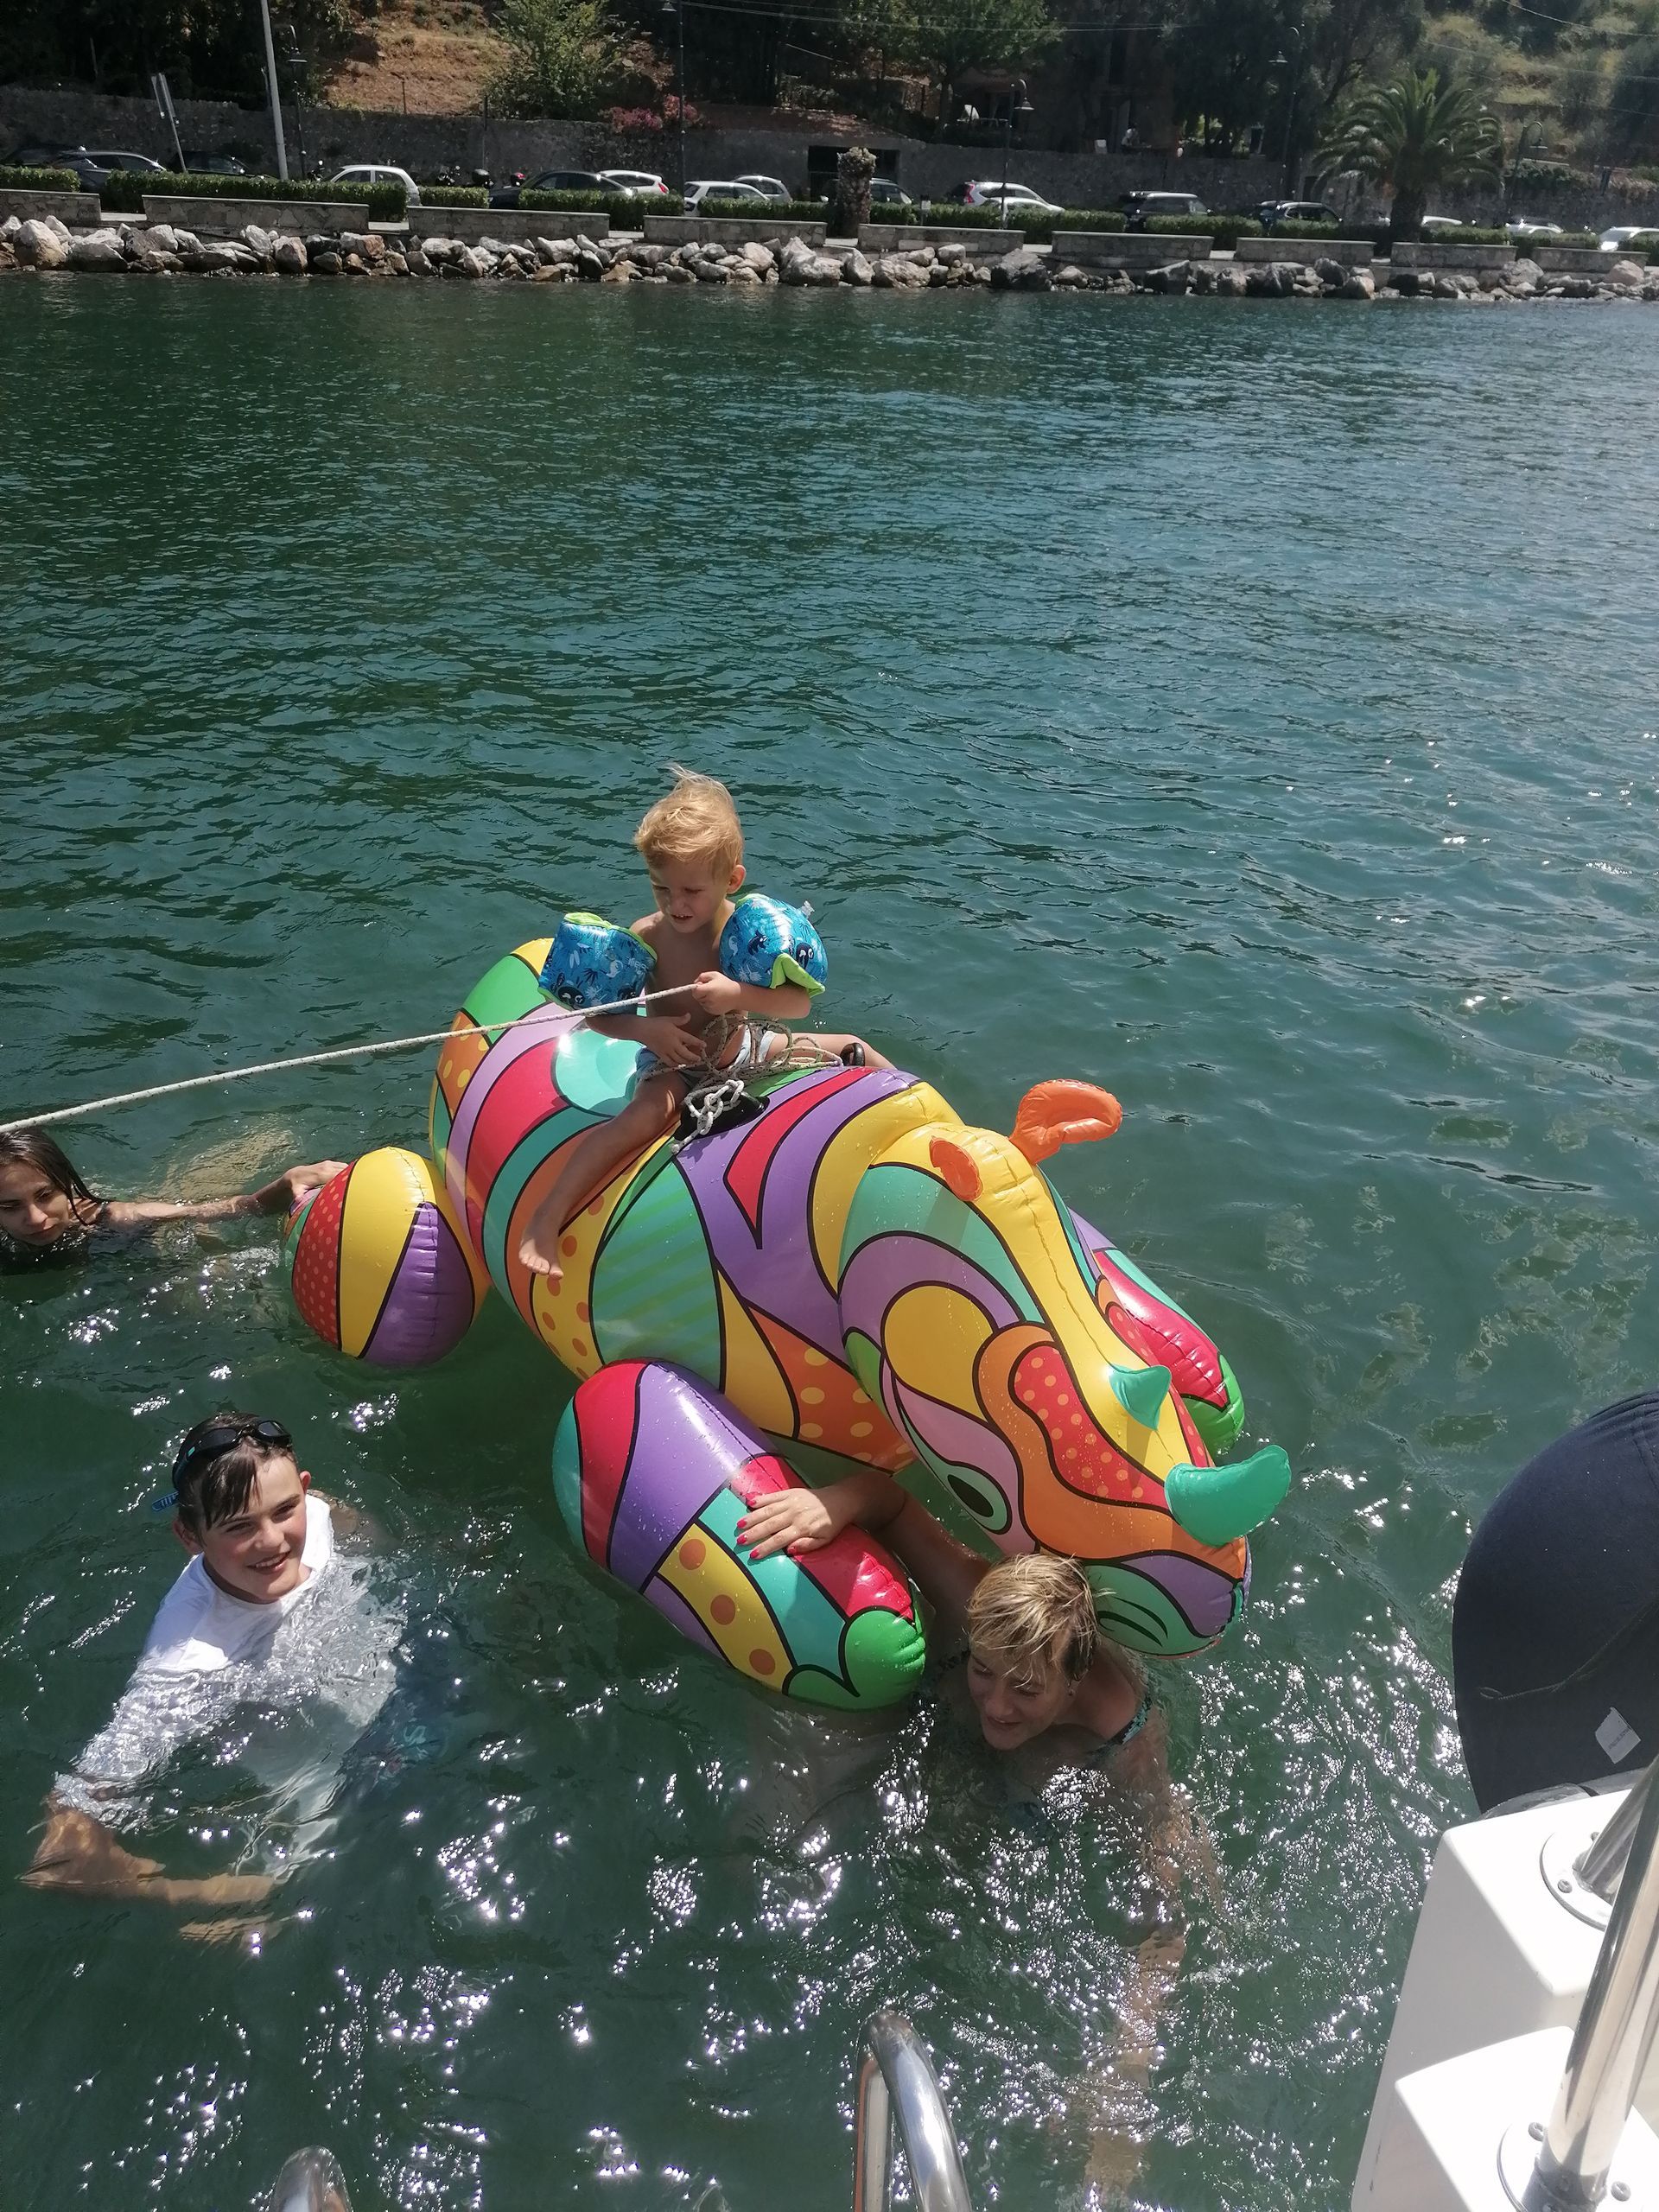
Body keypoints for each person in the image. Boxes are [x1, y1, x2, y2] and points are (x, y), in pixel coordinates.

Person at [737, 1467, 1211, 2193]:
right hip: (927, 1732)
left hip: (1039, 1801)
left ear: (1075, 1680)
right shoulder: (971, 1599)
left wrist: (1124, 2075)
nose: (996, 1704)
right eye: (986, 1673)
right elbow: (892, 1501)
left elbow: (1163, 1926)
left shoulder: (1127, 1737)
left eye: (1026, 1688)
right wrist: (830, 1503)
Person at [24, 1412, 398, 1925]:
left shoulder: (313, 1511)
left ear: (302, 1489)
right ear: (190, 1536)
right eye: (240, 1527)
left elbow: (347, 1522)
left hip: (400, 1697)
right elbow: (65, 1841)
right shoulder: (190, 1660)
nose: (272, 1541)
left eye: (283, 1509)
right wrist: (185, 1893)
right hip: (335, 1785)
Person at [518, 766, 889, 1283]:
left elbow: (797, 1005)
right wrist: (648, 1033)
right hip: (672, 1065)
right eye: (661, 889)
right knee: (640, 1121)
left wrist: (738, 994)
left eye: (691, 890)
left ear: (730, 880)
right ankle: (546, 1218)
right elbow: (601, 1018)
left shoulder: (745, 932)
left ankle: (931, 1129)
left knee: (853, 1047)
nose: (676, 905)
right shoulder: (646, 937)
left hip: (742, 1051)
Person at [0, 1126, 343, 1260]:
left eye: (45, 1196)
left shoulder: (117, 1218)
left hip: (143, 1241)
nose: (35, 1219)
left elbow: (234, 1208)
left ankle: (269, 1137)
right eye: (10, 1206)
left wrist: (288, 1181)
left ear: (67, 1185)